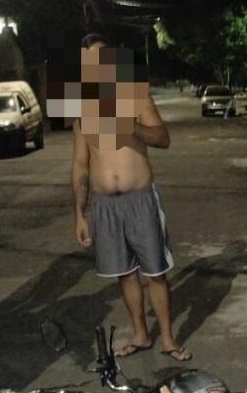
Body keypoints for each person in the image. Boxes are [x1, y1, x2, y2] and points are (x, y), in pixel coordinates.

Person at [70, 37, 191, 361]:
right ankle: (141, 334)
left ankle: (167, 338)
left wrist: (130, 126)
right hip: (105, 206)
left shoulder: (135, 96)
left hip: (140, 200)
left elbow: (163, 138)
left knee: (154, 272)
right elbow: (81, 164)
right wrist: (80, 214)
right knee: (124, 273)